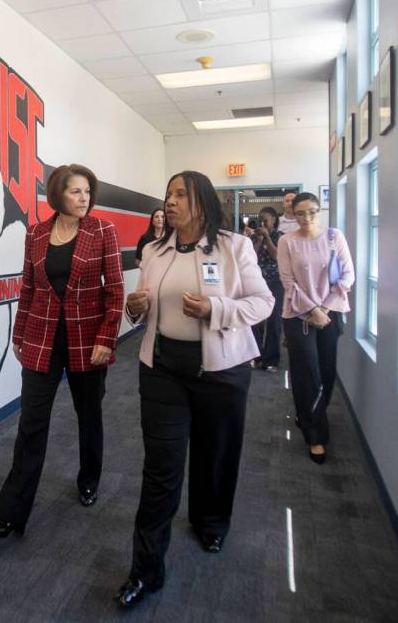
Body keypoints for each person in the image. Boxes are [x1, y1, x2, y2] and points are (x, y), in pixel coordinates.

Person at [115, 171, 274, 607]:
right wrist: (134, 307)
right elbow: (141, 308)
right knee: (160, 469)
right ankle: (146, 571)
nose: (170, 201)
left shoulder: (233, 247)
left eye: (180, 194)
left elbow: (263, 303)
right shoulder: (154, 250)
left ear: (201, 202)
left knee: (215, 456)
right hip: (163, 370)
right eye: (167, 193)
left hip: (222, 372)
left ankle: (211, 523)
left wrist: (216, 308)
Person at [0, 164, 124, 538]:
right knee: (31, 425)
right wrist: (18, 334)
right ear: (58, 195)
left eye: (87, 192)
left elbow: (115, 290)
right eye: (75, 192)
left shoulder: (102, 231)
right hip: (42, 337)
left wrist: (106, 338)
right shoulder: (36, 233)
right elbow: (28, 288)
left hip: (88, 339)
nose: (84, 199)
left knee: (88, 415)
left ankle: (89, 479)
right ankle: (12, 512)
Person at [277, 192, 354, 465]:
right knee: (307, 373)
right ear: (293, 215)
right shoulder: (287, 241)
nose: (306, 218)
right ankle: (316, 436)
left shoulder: (334, 237)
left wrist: (325, 309)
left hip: (330, 314)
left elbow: (348, 275)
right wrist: (312, 310)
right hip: (299, 317)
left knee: (327, 371)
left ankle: (308, 412)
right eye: (300, 213)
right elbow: (288, 282)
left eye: (311, 212)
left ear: (319, 211)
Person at [251, 207, 285, 371]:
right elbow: (250, 257)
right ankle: (256, 357)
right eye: (260, 220)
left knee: (274, 321)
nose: (262, 223)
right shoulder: (252, 237)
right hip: (257, 282)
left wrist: (267, 238)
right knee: (255, 320)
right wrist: (258, 239)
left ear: (274, 220)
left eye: (265, 220)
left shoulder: (281, 237)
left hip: (276, 281)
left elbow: (277, 257)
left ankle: (271, 360)